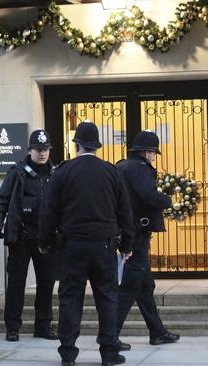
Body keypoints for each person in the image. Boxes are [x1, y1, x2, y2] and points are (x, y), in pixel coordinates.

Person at [39, 121, 134, 366]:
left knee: (70, 298)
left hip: (72, 245)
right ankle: (109, 353)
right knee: (107, 298)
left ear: (77, 145)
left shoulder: (62, 171)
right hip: (104, 245)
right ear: (97, 146)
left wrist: (45, 242)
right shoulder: (111, 172)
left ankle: (68, 353)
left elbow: (48, 211)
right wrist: (127, 244)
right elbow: (125, 211)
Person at [115, 130, 180, 350]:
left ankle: (157, 332)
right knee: (131, 286)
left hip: (127, 231)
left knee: (144, 286)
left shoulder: (122, 166)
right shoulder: (140, 168)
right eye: (154, 153)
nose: (154, 157)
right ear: (146, 152)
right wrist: (167, 200)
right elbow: (148, 195)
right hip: (137, 234)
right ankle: (110, 335)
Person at [0, 129, 58, 342]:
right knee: (16, 285)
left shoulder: (55, 173)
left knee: (46, 284)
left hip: (45, 238)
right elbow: (1, 200)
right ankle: (12, 328)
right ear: (30, 150)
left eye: (46, 149)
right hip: (21, 236)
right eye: (38, 149)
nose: (42, 153)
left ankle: (43, 326)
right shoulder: (17, 172)